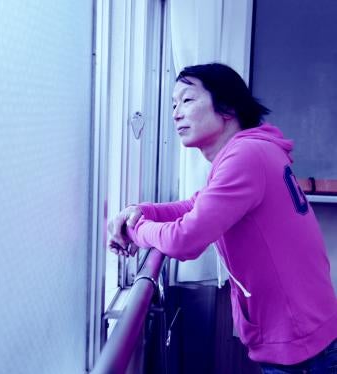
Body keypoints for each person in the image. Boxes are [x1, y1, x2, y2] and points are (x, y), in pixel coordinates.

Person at [108, 63, 337, 373]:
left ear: (227, 107)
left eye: (187, 100)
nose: (176, 113)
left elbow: (185, 239)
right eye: (174, 104)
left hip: (302, 347)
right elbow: (196, 205)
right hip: (305, 333)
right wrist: (141, 211)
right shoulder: (250, 151)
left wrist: (136, 229)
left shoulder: (245, 157)